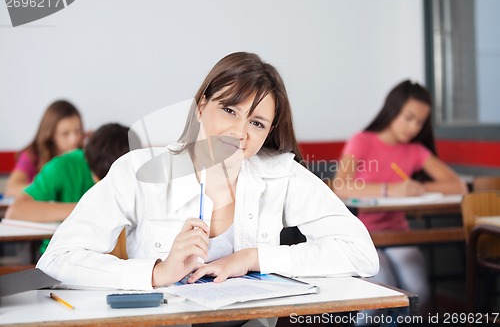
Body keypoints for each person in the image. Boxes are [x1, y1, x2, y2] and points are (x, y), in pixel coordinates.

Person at [37, 52, 378, 295]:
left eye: (256, 122)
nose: (239, 132)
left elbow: (361, 253)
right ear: (201, 107)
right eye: (229, 109)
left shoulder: (280, 174)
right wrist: (157, 273)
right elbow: (56, 260)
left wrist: (251, 258)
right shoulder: (139, 172)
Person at [334, 80, 467, 315]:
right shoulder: (362, 141)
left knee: (420, 292)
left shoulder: (415, 150)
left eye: (420, 122)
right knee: (378, 296)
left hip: (399, 233)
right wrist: (391, 189)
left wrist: (418, 187)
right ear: (392, 110)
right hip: (363, 237)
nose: (413, 127)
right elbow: (341, 186)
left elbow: (458, 186)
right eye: (409, 117)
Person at [6, 123, 132, 253]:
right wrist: (88, 208)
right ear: (94, 176)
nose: (73, 139)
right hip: (64, 257)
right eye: (65, 133)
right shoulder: (62, 166)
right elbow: (15, 211)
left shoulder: (135, 168)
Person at [5, 100, 84, 198]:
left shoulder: (84, 154)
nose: (74, 139)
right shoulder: (32, 155)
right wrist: (45, 188)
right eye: (65, 133)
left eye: (78, 131)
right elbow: (11, 188)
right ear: (50, 134)